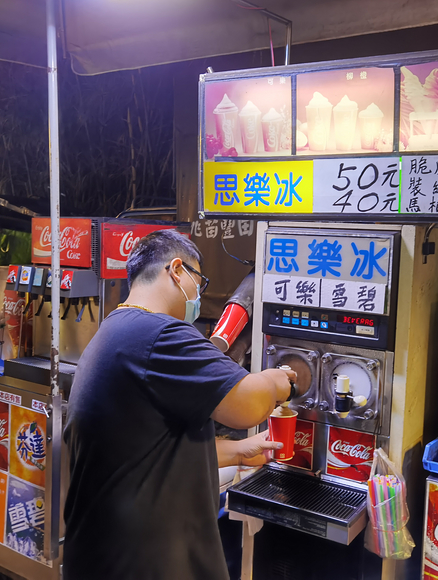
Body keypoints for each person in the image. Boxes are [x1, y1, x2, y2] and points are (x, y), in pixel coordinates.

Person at [64, 230, 295, 580]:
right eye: (199, 281)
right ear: (177, 270)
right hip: (139, 563)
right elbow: (248, 405)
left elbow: (148, 447)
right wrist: (279, 381)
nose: (199, 294)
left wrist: (239, 450)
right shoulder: (157, 333)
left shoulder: (117, 330)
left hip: (104, 556)